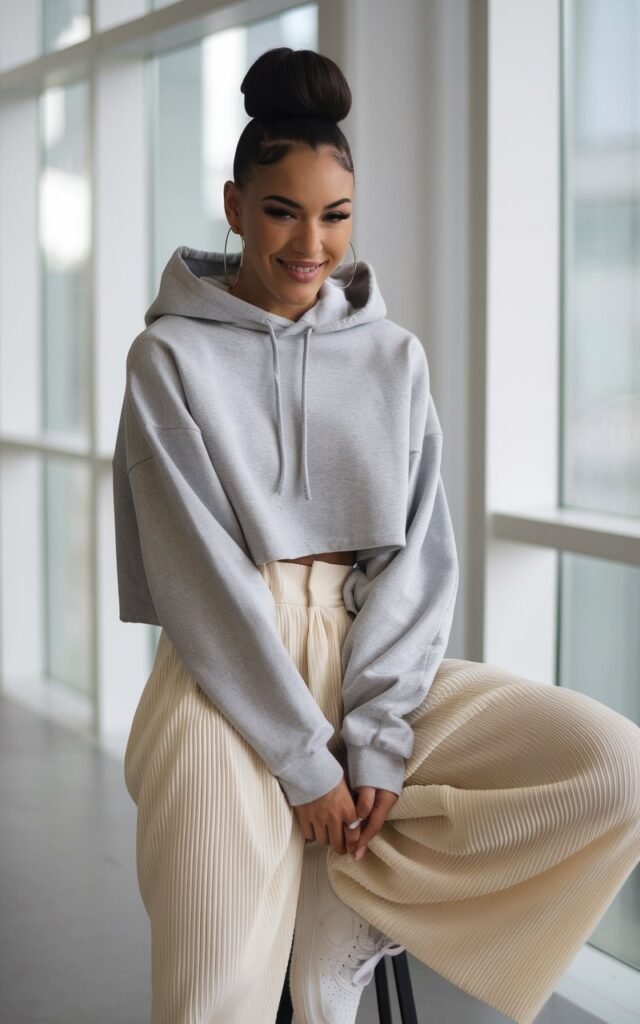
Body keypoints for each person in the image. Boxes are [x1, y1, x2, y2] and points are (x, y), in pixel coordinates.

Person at [112, 46, 640, 1024]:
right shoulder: (168, 357)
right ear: (234, 206)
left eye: (335, 215)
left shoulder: (392, 357)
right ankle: (321, 891)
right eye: (281, 210)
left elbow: (417, 559)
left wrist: (374, 744)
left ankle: (351, 905)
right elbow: (198, 576)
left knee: (613, 769)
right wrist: (306, 763)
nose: (310, 244)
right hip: (227, 674)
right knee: (212, 999)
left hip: (373, 657)